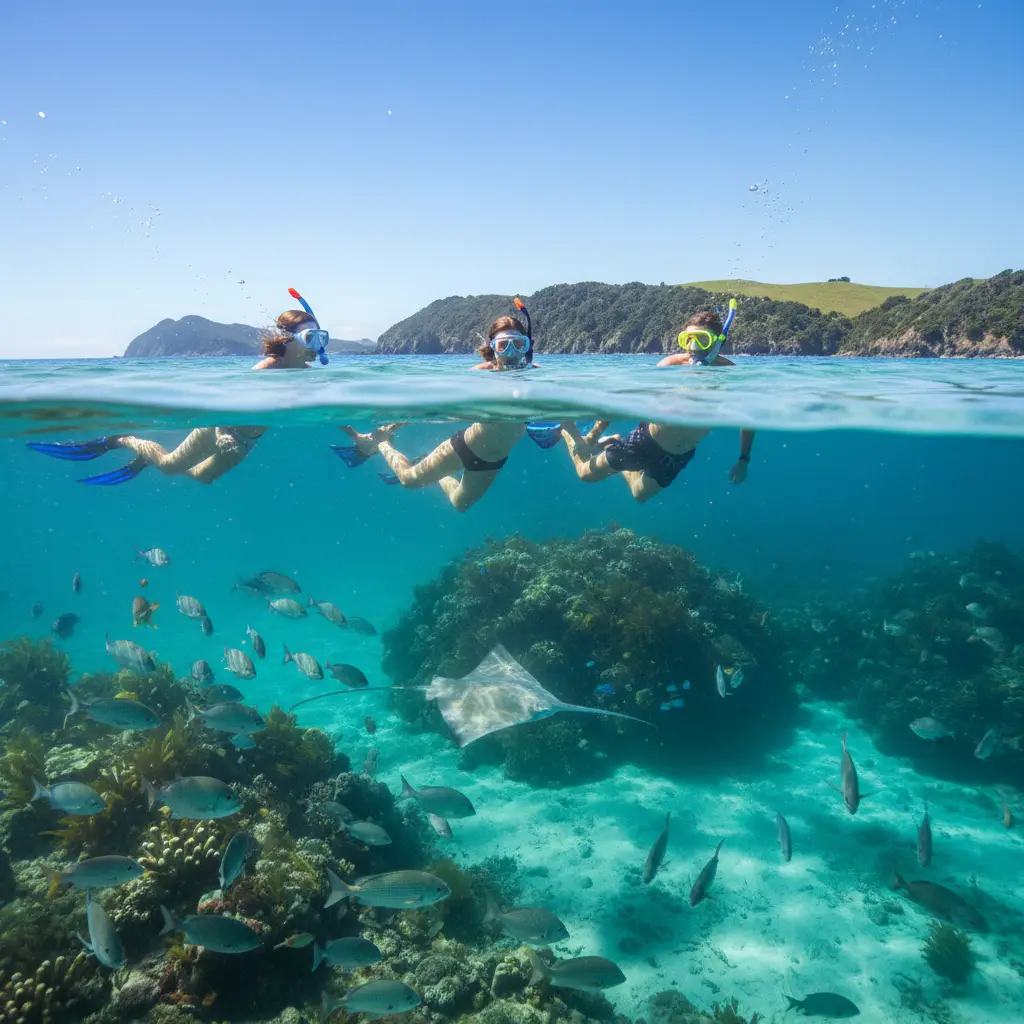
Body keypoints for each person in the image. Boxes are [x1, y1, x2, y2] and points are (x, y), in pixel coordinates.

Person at [559, 419, 754, 503]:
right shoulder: (672, 365)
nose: (695, 349)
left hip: (678, 456)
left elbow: (748, 418)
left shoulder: (729, 376)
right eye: (689, 343)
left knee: (639, 495)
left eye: (705, 345)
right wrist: (591, 437)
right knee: (585, 473)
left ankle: (612, 445)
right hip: (645, 442)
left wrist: (744, 459)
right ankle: (566, 433)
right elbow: (619, 396)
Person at [25, 427, 266, 485]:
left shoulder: (292, 372)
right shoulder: (267, 368)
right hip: (219, 432)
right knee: (168, 466)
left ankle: (146, 457)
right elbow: (225, 402)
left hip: (244, 443)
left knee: (203, 477)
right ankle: (123, 440)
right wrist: (222, 432)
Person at [253, 288, 331, 370]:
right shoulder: (265, 368)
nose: (316, 345)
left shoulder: (307, 369)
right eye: (308, 338)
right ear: (287, 339)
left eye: (319, 338)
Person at [657, 299, 739, 367]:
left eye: (702, 338)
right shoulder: (669, 364)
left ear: (718, 342)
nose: (694, 347)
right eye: (689, 339)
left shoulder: (727, 367)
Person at [471, 298, 536, 371]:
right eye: (502, 345)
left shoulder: (535, 370)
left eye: (517, 344)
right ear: (493, 345)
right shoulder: (478, 370)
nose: (511, 354)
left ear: (527, 347)